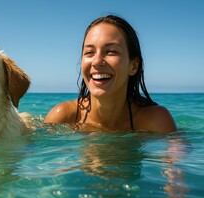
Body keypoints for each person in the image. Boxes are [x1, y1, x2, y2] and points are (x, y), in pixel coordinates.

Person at [44, 15, 177, 134]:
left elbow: (176, 156)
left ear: (134, 66)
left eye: (111, 51)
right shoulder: (63, 118)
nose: (96, 62)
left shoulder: (155, 120)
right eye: (89, 52)